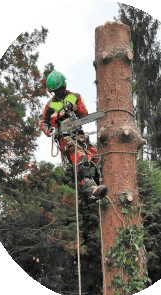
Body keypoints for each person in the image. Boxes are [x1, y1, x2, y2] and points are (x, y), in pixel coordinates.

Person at [41, 71, 107, 202]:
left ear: (64, 86)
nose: (58, 93)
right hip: (64, 138)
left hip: (78, 133)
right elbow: (44, 122)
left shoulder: (75, 97)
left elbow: (85, 114)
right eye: (55, 91)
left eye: (59, 90)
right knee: (80, 157)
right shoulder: (50, 105)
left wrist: (75, 108)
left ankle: (104, 185)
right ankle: (91, 190)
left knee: (95, 157)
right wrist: (48, 130)